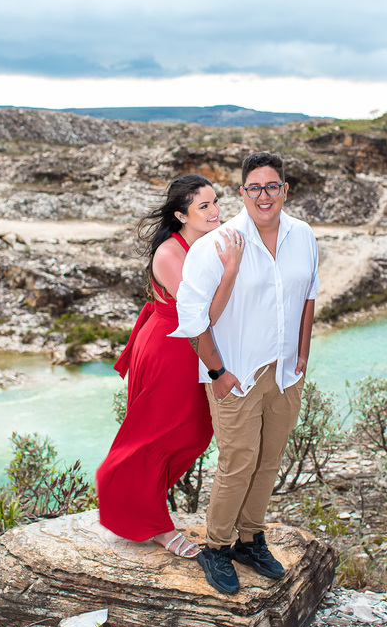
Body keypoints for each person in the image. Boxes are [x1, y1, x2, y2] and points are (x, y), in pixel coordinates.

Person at [171, 152, 318, 593]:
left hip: (285, 372)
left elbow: (309, 294)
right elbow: (192, 316)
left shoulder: (303, 236)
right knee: (238, 461)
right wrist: (217, 372)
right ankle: (216, 548)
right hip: (235, 373)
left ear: (285, 190)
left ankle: (250, 539)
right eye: (254, 187)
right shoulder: (217, 244)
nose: (264, 195)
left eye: (272, 186)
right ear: (242, 193)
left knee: (269, 458)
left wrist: (302, 354)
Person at [96, 175, 245, 558]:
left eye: (216, 202)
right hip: (168, 348)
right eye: (204, 206)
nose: (215, 211)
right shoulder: (169, 253)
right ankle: (148, 518)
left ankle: (138, 503)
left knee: (196, 432)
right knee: (157, 434)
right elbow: (201, 316)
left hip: (194, 348)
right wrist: (230, 270)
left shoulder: (208, 241)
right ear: (181, 214)